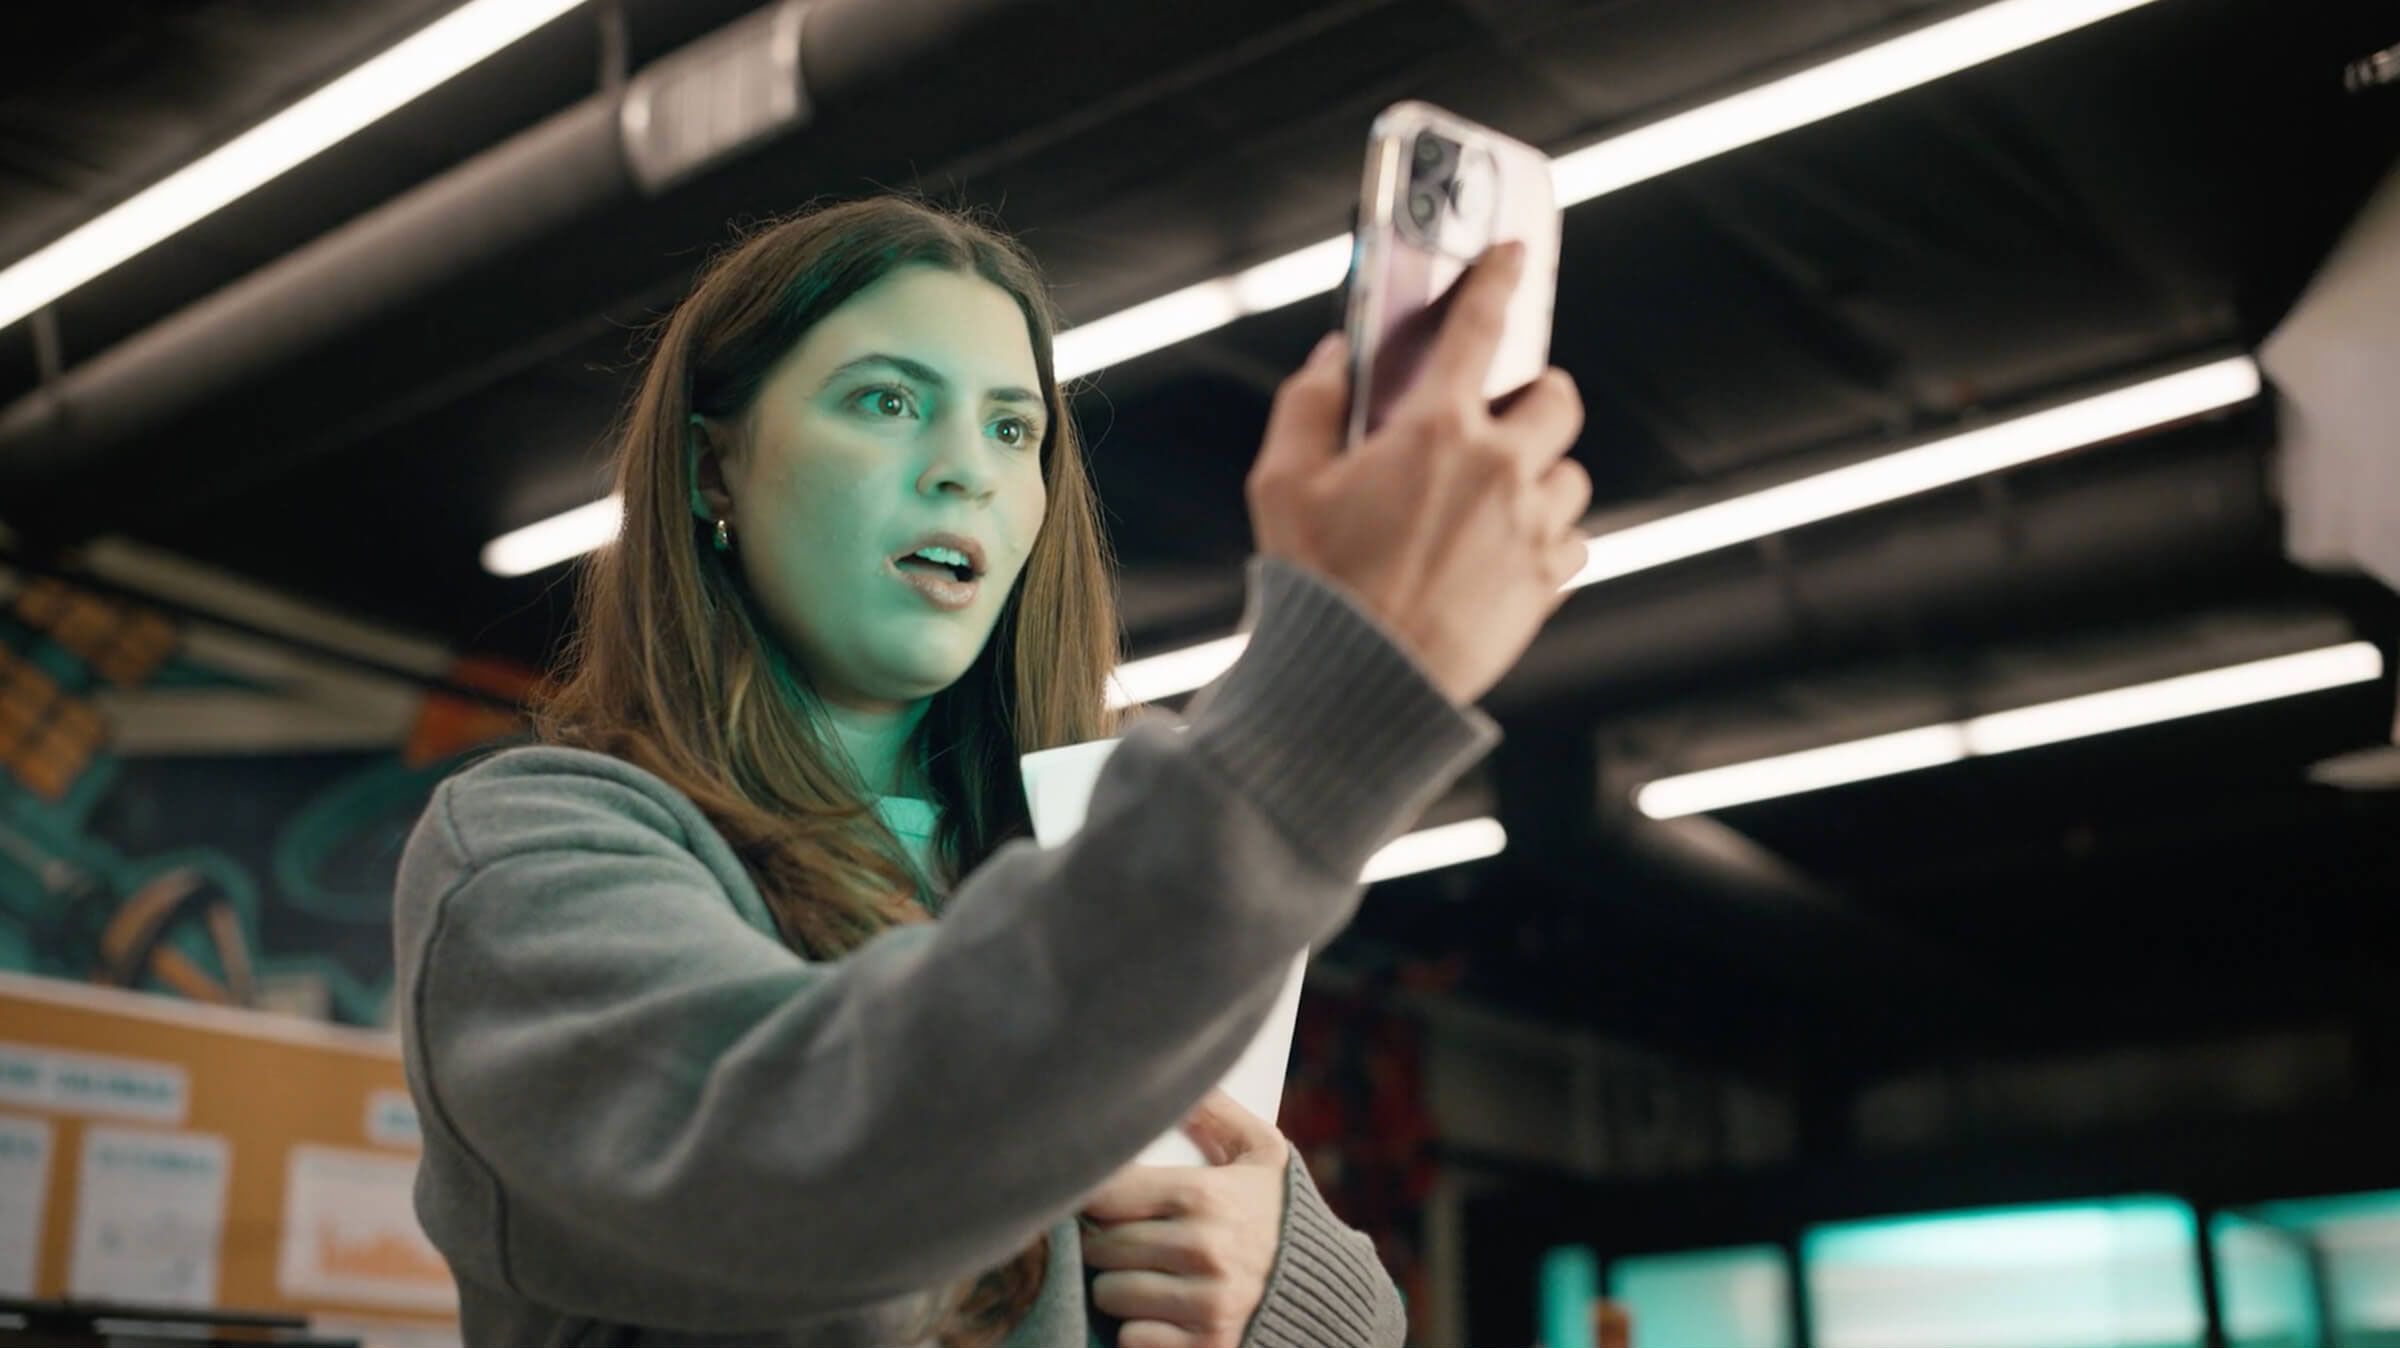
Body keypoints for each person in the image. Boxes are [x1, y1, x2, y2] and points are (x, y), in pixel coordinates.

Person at [392, 194, 1589, 1347]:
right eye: (885, 400)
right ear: (715, 470)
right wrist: (1324, 702)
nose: (966, 467)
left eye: (1013, 428)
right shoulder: (534, 847)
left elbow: (1343, 1313)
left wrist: (1283, 1277)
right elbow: (810, 1163)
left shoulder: (1083, 847)